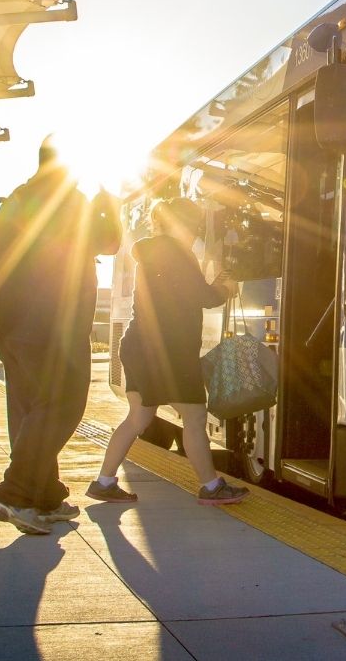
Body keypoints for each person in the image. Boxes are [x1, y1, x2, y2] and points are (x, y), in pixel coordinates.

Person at [0, 139, 119, 535]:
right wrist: (109, 204)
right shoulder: (71, 203)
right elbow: (109, 242)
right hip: (54, 325)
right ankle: (15, 493)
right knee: (61, 405)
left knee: (30, 411)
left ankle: (45, 496)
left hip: (11, 325)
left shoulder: (21, 197)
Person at [89, 198, 249, 506]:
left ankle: (104, 481)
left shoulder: (151, 252)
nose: (197, 232)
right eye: (195, 225)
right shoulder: (176, 253)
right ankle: (211, 487)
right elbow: (200, 296)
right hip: (167, 349)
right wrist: (222, 288)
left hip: (138, 344)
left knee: (137, 417)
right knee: (194, 414)